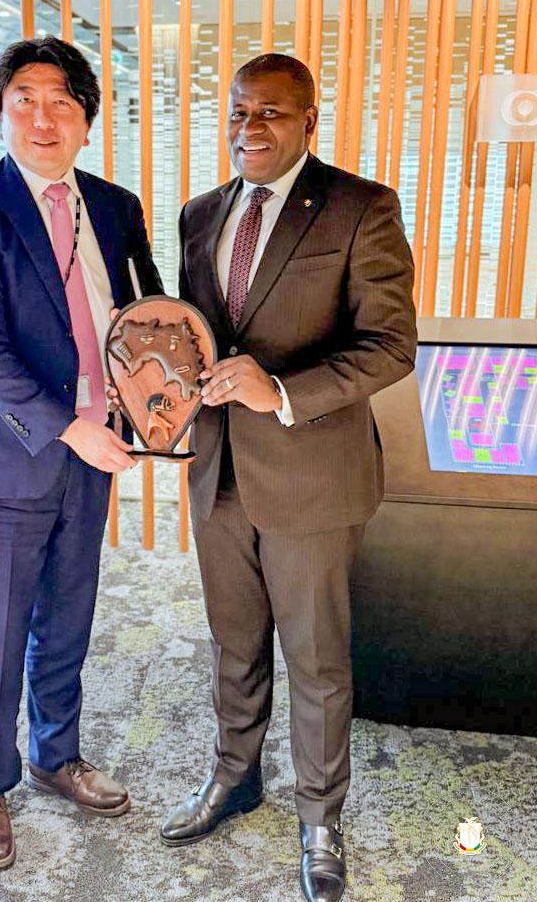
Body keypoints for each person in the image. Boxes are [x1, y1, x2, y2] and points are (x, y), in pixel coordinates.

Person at [160, 53, 417, 902]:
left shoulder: (360, 206)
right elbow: (194, 336)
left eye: (269, 112)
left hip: (310, 476)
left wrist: (277, 390)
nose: (249, 128)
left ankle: (319, 817)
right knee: (233, 643)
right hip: (217, 473)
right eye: (238, 112)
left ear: (309, 120)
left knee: (314, 658)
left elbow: (390, 346)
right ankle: (235, 776)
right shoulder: (200, 214)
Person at [0, 36, 163, 871]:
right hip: (10, 453)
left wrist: (157, 399)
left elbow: (146, 315)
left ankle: (55, 753)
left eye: (62, 101)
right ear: (0, 114)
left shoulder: (115, 204)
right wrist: (71, 426)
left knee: (68, 613)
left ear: (87, 122)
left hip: (94, 452)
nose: (43, 116)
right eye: (23, 99)